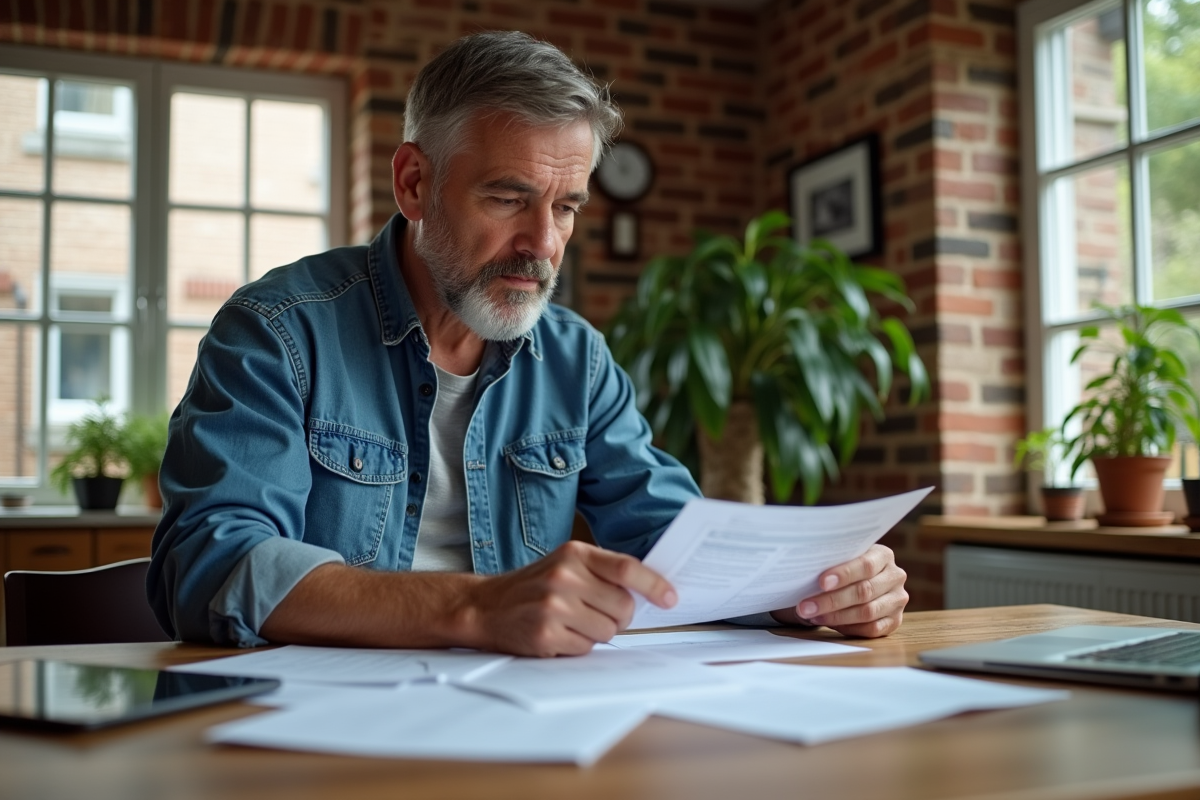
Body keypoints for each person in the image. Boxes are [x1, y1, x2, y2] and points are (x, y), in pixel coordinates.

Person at [147, 31, 908, 657]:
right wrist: (475, 608)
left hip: (530, 720)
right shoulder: (278, 331)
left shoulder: (577, 362)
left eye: (566, 206)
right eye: (508, 198)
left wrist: (815, 591)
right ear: (414, 183)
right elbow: (209, 564)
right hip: (309, 734)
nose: (542, 244)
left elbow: (678, 549)